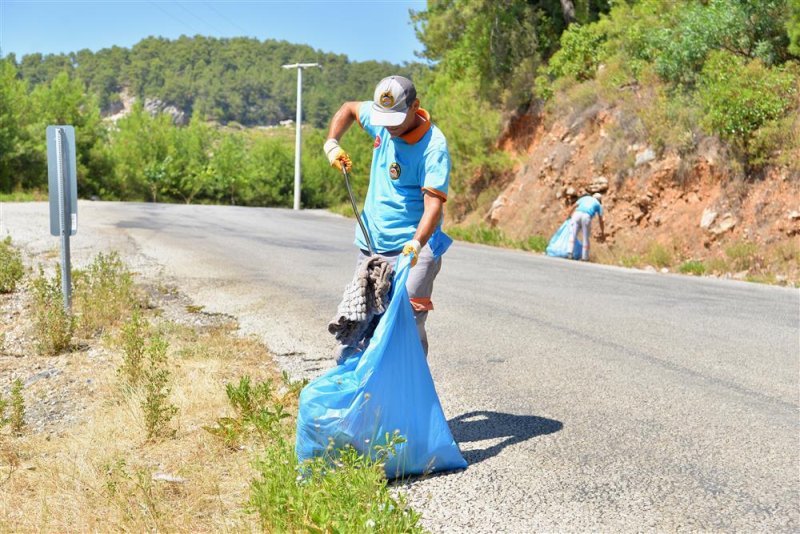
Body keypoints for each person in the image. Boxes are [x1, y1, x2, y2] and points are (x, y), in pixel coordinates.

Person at [323, 75, 450, 358]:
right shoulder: (383, 120)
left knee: (406, 324)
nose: (388, 127)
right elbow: (349, 108)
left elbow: (433, 207)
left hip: (415, 247)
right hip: (371, 245)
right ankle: (367, 393)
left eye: (395, 120)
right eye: (384, 120)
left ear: (415, 107)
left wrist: (416, 245)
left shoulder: (433, 147)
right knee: (360, 323)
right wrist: (332, 142)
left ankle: (409, 392)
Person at [566, 192, 605, 261]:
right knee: (585, 237)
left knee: (573, 234)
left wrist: (568, 216)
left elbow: (573, 206)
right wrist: (602, 231)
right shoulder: (598, 204)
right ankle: (584, 257)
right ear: (599, 200)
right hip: (586, 216)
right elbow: (601, 220)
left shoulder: (585, 198)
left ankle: (570, 253)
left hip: (577, 214)